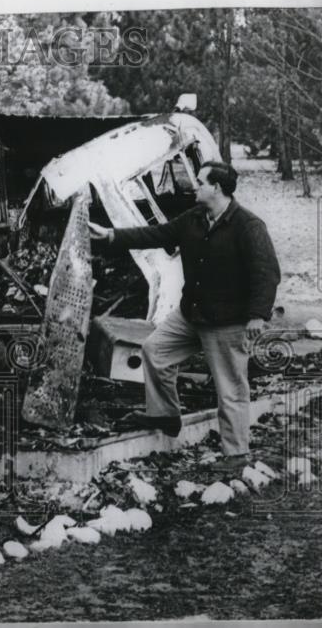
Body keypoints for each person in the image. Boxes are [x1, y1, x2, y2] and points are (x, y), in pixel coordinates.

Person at [89, 160, 280, 472]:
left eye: (201, 182)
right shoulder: (194, 218)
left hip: (228, 320)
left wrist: (258, 314)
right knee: (155, 350)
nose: (195, 186)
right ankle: (165, 414)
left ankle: (236, 457)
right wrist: (110, 235)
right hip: (192, 313)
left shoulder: (248, 226)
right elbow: (156, 234)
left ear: (217, 188)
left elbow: (267, 273)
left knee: (230, 389)